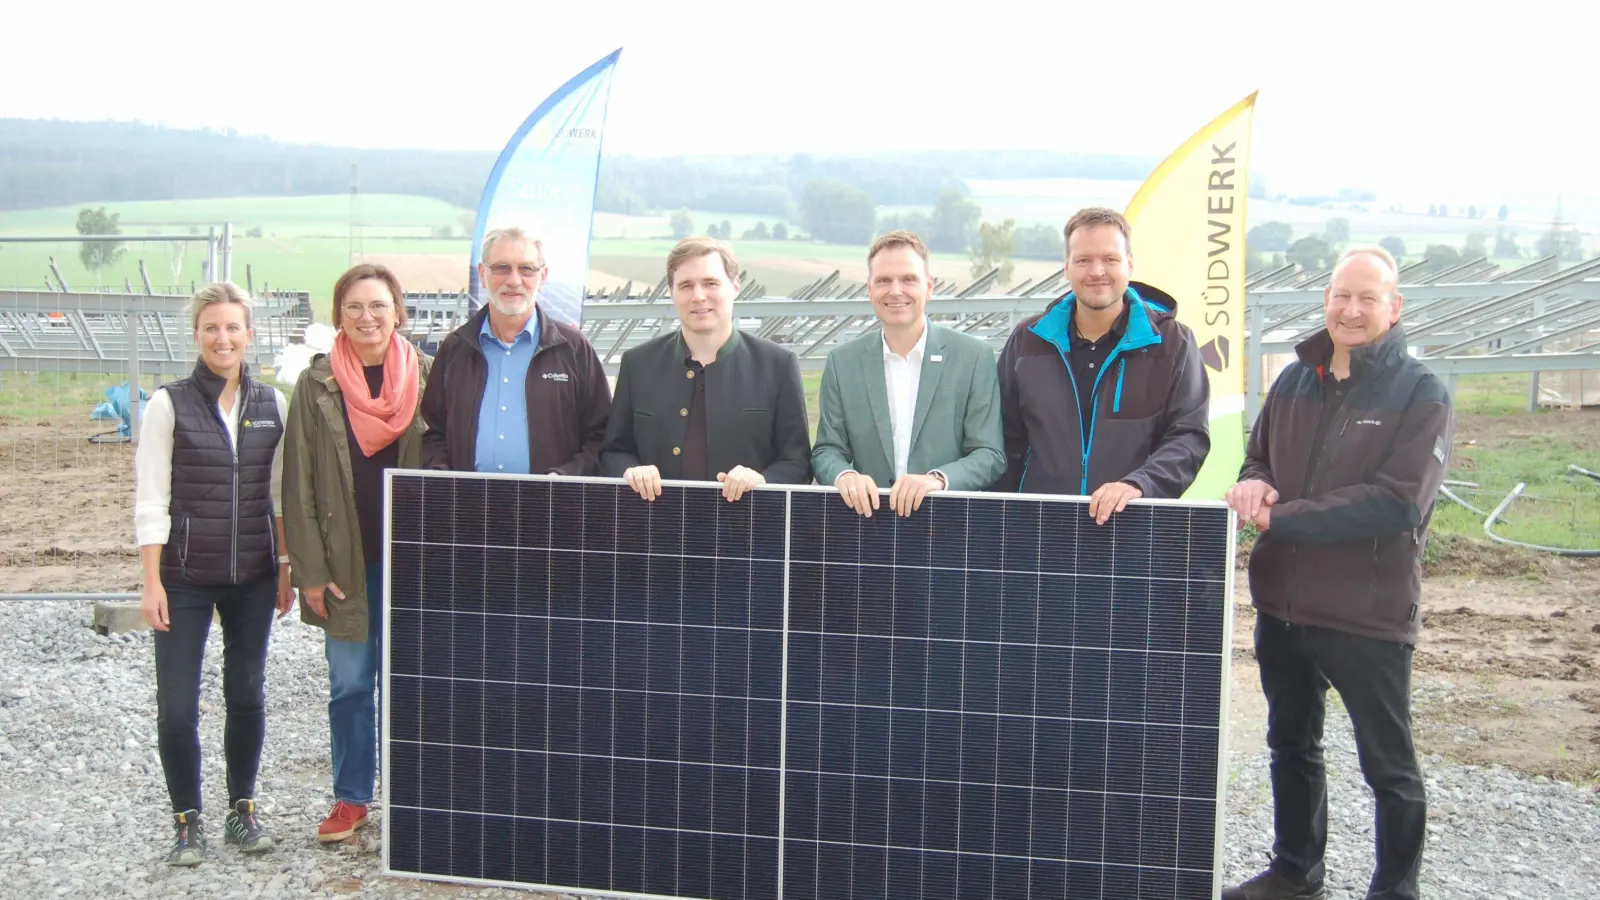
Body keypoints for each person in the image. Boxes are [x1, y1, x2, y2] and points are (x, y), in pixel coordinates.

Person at [1222, 246, 1453, 900]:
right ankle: (1295, 872)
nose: (1352, 310)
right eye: (1341, 296)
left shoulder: (1421, 392)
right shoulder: (1295, 380)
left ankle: (1396, 890)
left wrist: (1283, 518)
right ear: (1326, 299)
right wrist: (1255, 484)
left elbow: (1399, 502)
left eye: (1367, 298)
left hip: (1366, 611)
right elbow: (1259, 457)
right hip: (1284, 606)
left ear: (1393, 308)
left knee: (1388, 766)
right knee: (1291, 746)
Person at [134, 282, 294, 865]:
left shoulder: (273, 405)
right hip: (183, 577)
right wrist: (152, 581)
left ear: (249, 334)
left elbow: (279, 496)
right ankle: (186, 820)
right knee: (177, 705)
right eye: (211, 328)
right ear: (197, 334)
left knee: (246, 693)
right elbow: (151, 497)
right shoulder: (167, 404)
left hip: (253, 575)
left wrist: (284, 567)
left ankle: (241, 809)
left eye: (232, 328)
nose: (222, 338)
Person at [282, 264, 431, 844]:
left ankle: (413, 799)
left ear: (398, 312)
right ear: (338, 315)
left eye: (378, 305)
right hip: (346, 565)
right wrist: (310, 571)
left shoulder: (428, 376)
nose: (367, 318)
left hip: (413, 564)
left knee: (411, 684)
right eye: (353, 307)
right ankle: (352, 797)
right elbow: (297, 482)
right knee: (349, 685)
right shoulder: (317, 385)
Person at [993, 206, 1209, 523]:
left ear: (1129, 264)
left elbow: (1188, 437)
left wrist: (1140, 484)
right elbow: (1003, 436)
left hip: (1134, 524)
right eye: (1084, 260)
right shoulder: (1028, 340)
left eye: (1110, 259)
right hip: (1039, 527)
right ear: (1067, 267)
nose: (1097, 272)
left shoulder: (1173, 343)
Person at [600, 236, 812, 501]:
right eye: (686, 285)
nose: (698, 296)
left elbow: (797, 462)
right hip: (656, 522)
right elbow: (613, 451)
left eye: (710, 283)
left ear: (735, 286)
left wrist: (762, 481)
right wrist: (631, 470)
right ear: (671, 291)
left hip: (746, 523)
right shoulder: (638, 364)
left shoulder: (778, 365)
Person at [811, 230, 1005, 516]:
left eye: (908, 279)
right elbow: (827, 450)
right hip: (868, 523)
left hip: (947, 525)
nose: (895, 290)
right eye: (883, 281)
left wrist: (937, 480)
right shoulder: (842, 362)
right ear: (869, 289)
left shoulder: (973, 357)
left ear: (929, 287)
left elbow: (990, 454)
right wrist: (845, 476)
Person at [421, 226, 611, 474]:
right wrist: (441, 472)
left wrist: (565, 477)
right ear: (482, 274)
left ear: (542, 277)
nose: (513, 280)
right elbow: (434, 432)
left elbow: (601, 435)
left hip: (551, 497)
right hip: (469, 497)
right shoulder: (456, 349)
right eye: (501, 267)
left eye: (526, 269)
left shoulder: (574, 350)